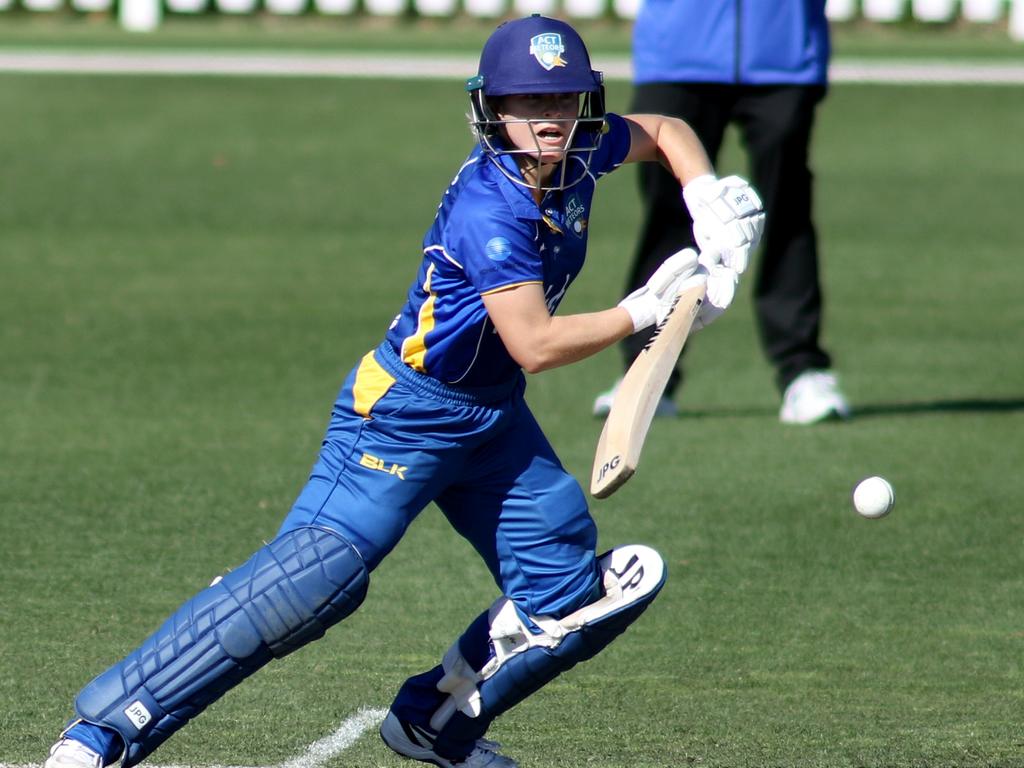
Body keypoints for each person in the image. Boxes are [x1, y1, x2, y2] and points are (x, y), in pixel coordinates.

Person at [42, 15, 763, 768]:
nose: (548, 118)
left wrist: (707, 197)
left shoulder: (582, 146)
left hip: (492, 419)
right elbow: (535, 344)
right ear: (493, 108)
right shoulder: (492, 205)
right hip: (403, 415)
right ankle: (101, 735)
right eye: (527, 103)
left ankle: (431, 725)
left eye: (563, 100)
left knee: (571, 593)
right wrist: (649, 309)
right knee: (310, 582)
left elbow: (667, 128)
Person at [592, 0, 851, 425]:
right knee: (668, 214)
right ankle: (646, 372)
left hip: (782, 48)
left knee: (785, 212)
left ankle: (803, 370)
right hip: (678, 47)